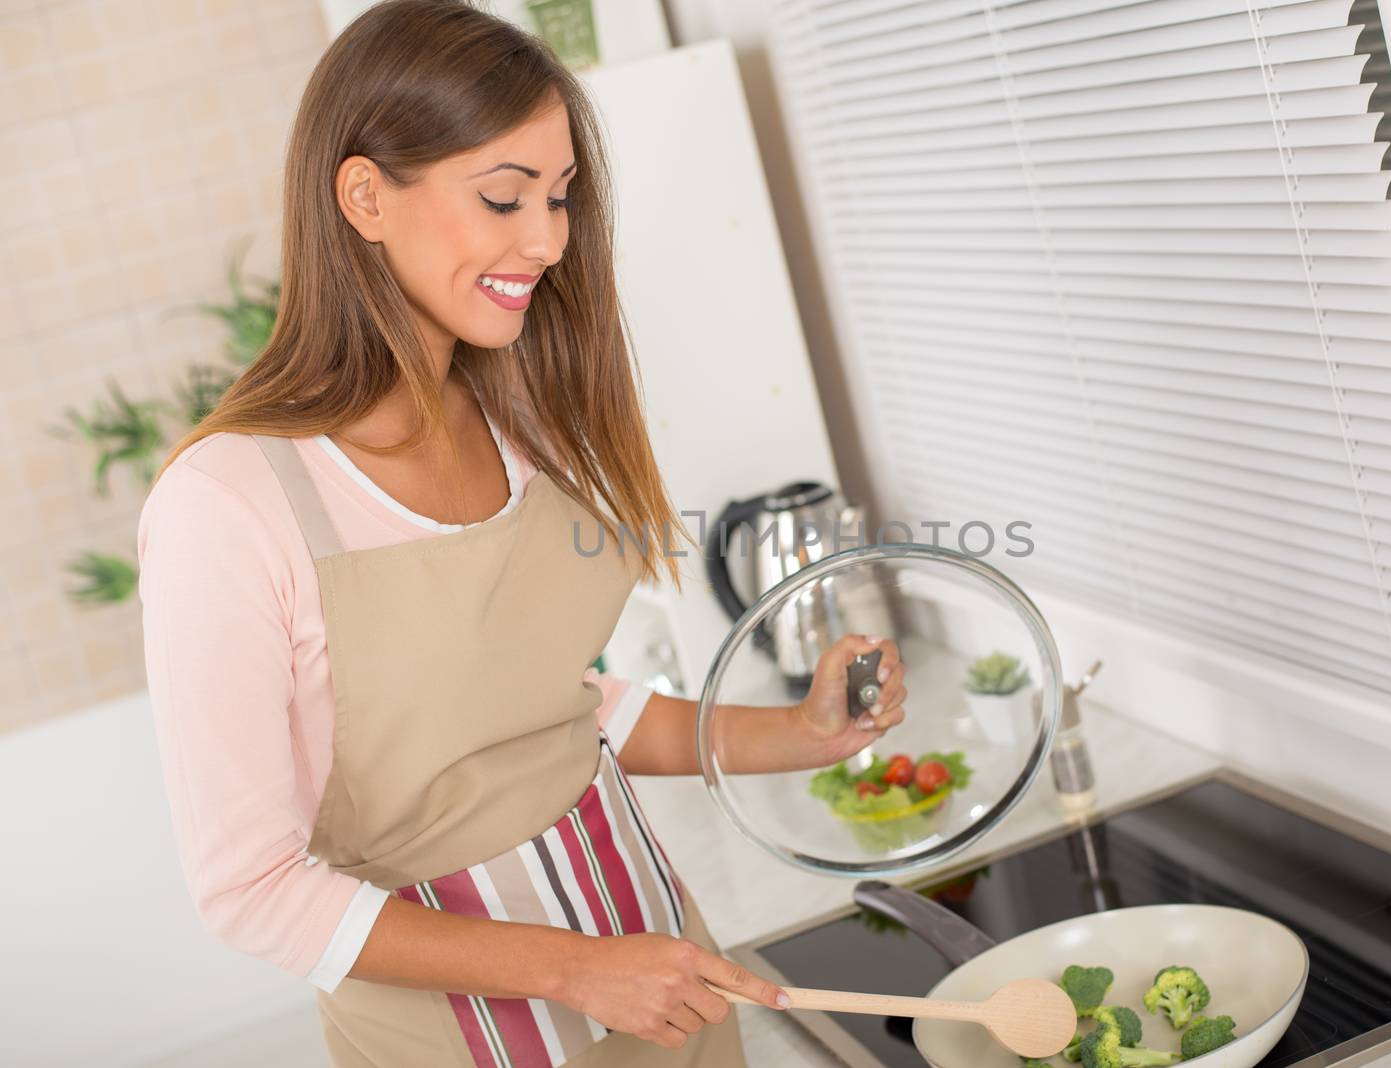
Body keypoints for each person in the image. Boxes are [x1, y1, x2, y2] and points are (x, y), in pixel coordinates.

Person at [134, 2, 909, 1065]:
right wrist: (572, 965)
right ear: (363, 195)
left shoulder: (515, 417)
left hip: (665, 982)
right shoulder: (227, 502)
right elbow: (249, 890)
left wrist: (791, 735)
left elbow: (555, 702)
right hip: (464, 1039)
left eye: (558, 198)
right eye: (502, 197)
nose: (547, 240)